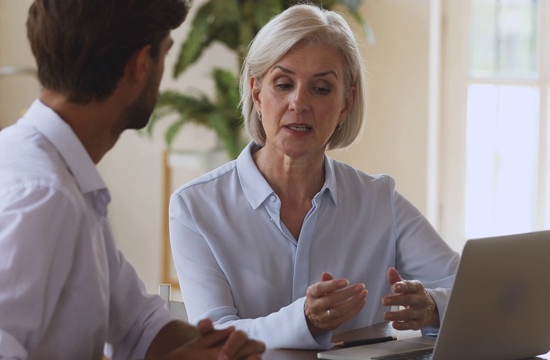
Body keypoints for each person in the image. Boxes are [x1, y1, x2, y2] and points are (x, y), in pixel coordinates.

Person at [169, 3, 460, 350]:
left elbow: (467, 288)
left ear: (345, 104)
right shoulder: (195, 207)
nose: (298, 102)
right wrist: (303, 319)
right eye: (283, 83)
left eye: (320, 88)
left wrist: (431, 308)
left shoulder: (379, 200)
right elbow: (216, 337)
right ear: (257, 93)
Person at [0, 1, 266, 359]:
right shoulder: (46, 195)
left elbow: (138, 323)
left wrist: (222, 347)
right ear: (140, 66)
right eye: (164, 56)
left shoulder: (66, 177)